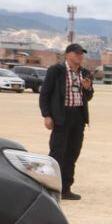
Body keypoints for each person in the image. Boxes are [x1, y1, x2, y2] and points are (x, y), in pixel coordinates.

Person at [39, 43, 93, 201]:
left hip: (79, 117)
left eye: (82, 54)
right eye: (77, 53)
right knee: (57, 153)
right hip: (61, 117)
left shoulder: (84, 73)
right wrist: (47, 115)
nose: (80, 56)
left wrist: (87, 88)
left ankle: (66, 188)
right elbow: (45, 95)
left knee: (72, 153)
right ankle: (50, 189)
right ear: (67, 55)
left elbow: (88, 97)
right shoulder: (56, 71)